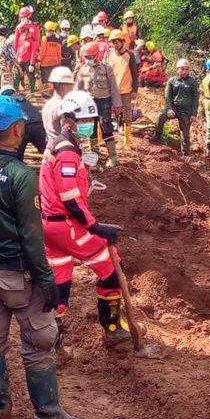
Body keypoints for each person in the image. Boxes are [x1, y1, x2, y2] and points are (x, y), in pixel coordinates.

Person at [0, 95, 86, 419]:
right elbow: (32, 236)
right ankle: (48, 413)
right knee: (39, 342)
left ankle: (0, 405)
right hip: (18, 273)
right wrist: (46, 279)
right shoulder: (20, 175)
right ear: (17, 128)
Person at [40, 91, 131, 362]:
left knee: (60, 283)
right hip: (66, 226)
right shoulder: (67, 152)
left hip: (49, 227)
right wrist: (95, 227)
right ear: (69, 120)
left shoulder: (59, 145)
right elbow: (70, 198)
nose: (90, 123)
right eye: (86, 119)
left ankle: (52, 344)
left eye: (92, 118)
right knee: (111, 266)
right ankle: (113, 329)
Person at [75, 42, 122, 167]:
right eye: (87, 57)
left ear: (97, 55)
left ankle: (113, 157)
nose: (89, 60)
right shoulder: (83, 69)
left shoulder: (106, 68)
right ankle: (95, 155)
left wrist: (117, 105)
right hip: (88, 102)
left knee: (106, 128)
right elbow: (78, 88)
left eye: (91, 57)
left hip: (103, 101)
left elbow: (113, 87)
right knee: (91, 129)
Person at [155, 59, 200, 156]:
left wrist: (193, 113)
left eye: (185, 69)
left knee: (185, 133)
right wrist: (170, 108)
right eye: (181, 69)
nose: (183, 71)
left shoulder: (192, 82)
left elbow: (196, 99)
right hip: (174, 108)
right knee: (161, 116)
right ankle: (157, 138)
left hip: (186, 110)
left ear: (188, 70)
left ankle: (186, 154)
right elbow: (168, 96)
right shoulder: (172, 81)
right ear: (177, 69)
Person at [107, 30, 140, 149]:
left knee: (127, 114)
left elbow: (135, 74)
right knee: (115, 111)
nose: (115, 45)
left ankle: (127, 141)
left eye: (116, 42)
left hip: (126, 89)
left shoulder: (130, 56)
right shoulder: (110, 55)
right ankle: (117, 124)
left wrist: (134, 90)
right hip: (114, 89)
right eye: (113, 43)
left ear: (122, 42)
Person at [0, 85, 47, 161]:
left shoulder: (4, 101)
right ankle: (53, 168)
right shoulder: (23, 98)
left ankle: (18, 170)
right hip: (38, 123)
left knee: (17, 153)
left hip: (22, 126)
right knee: (45, 150)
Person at [42, 66, 76, 139]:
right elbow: (67, 132)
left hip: (51, 144)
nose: (72, 88)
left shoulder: (48, 104)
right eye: (71, 85)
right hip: (64, 147)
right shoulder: (64, 107)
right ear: (64, 86)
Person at [14, 6, 41, 93]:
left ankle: (32, 93)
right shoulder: (19, 29)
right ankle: (16, 91)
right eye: (21, 17)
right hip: (20, 57)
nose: (22, 19)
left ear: (28, 16)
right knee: (17, 75)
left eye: (24, 17)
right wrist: (15, 58)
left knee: (31, 76)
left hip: (29, 58)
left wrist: (32, 63)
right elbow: (15, 44)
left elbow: (35, 47)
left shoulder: (34, 29)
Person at [0, 26, 20, 91]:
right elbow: (14, 58)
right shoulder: (9, 43)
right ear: (6, 34)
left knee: (0, 90)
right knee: (7, 91)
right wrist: (18, 69)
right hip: (7, 71)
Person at [39, 21, 64, 89]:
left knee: (46, 81)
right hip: (55, 62)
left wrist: (39, 59)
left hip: (45, 63)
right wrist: (59, 63)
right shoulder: (58, 39)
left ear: (47, 29)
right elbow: (59, 53)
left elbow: (42, 51)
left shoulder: (45, 38)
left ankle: (46, 95)